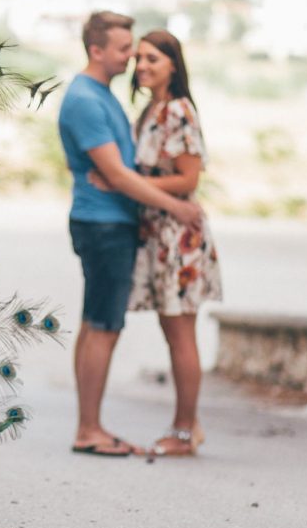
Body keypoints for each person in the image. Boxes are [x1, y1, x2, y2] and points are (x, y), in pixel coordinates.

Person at [59, 12, 203, 457]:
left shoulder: (113, 98)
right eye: (128, 52)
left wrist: (125, 179)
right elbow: (118, 174)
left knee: (100, 324)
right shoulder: (87, 98)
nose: (134, 62)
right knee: (102, 325)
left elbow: (136, 173)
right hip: (108, 223)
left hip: (141, 227)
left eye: (143, 55)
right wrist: (167, 199)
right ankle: (90, 429)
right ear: (96, 50)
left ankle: (102, 426)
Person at [90, 29, 222, 457]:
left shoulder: (179, 110)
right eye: (140, 58)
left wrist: (123, 183)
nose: (143, 66)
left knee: (180, 334)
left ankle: (185, 432)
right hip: (156, 235)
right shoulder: (151, 109)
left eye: (153, 59)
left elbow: (189, 178)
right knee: (172, 331)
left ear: (173, 65)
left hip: (177, 236)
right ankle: (190, 425)